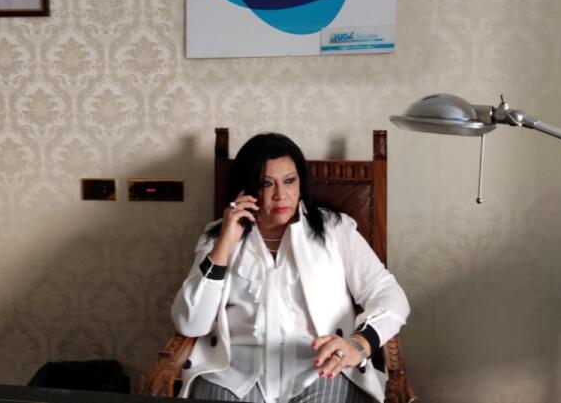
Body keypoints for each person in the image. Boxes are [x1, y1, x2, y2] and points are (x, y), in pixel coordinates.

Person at [171, 133, 409, 403]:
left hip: (321, 368)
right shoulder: (218, 236)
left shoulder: (334, 229)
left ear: (300, 182)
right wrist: (225, 243)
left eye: (289, 181)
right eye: (266, 183)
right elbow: (190, 323)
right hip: (233, 374)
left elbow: (389, 295)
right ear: (246, 188)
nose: (281, 195)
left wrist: (360, 344)